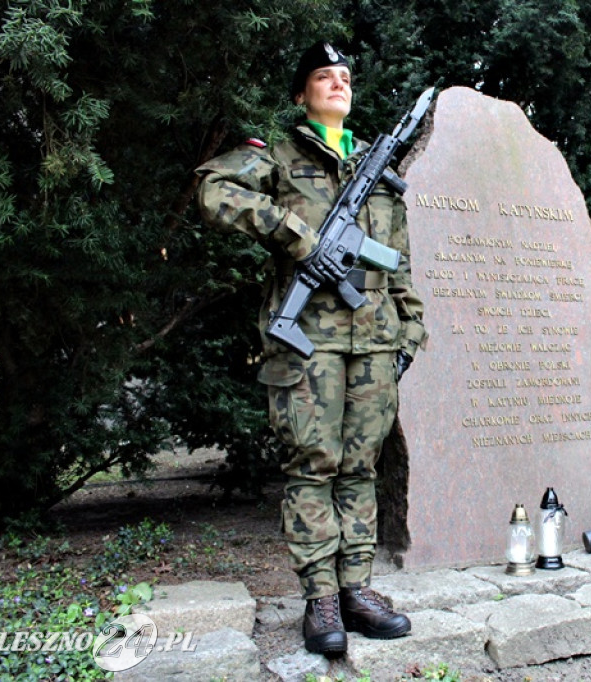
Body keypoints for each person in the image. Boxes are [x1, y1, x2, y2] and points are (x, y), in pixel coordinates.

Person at [195, 41, 427, 656]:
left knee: (360, 470)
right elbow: (215, 189)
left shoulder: (379, 173)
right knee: (313, 466)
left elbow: (398, 266)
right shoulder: (276, 154)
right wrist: (297, 237)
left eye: (345, 77)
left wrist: (411, 328)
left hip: (375, 341)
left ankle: (359, 591)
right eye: (323, 78)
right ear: (302, 94)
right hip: (309, 346)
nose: (337, 84)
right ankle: (320, 597)